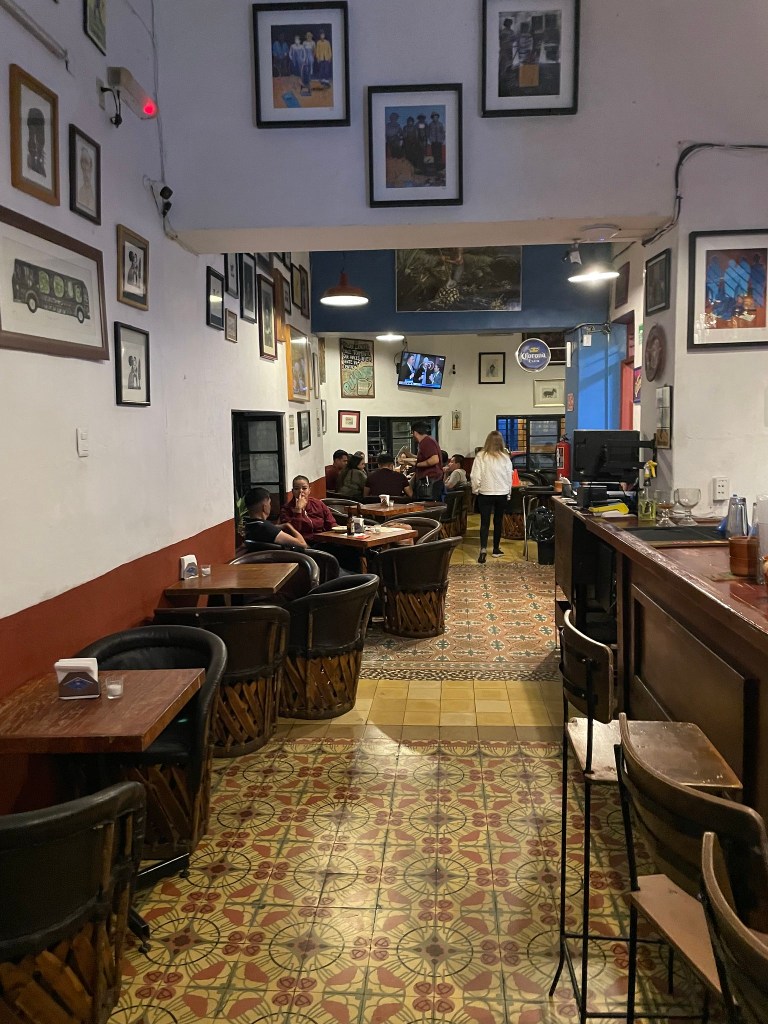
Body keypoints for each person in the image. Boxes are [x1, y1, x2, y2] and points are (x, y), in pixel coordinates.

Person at [470, 430, 512, 563]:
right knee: (498, 521)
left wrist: (476, 489)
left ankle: (483, 550)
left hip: (485, 493)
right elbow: (509, 476)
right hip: (502, 493)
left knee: (484, 522)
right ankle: (495, 549)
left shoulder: (481, 456)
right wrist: (508, 492)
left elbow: (475, 476)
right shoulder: (505, 457)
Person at [279, 475, 337, 542]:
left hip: (323, 540)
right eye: (296, 489)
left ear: (309, 490)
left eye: (304, 488)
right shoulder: (286, 509)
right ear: (292, 491)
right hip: (304, 544)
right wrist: (298, 510)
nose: (301, 491)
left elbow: (331, 523)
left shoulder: (318, 504)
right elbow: (293, 532)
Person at [403, 420, 443, 500]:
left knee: (427, 506)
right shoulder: (428, 441)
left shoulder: (426, 442)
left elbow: (434, 460)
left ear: (415, 432)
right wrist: (408, 455)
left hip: (429, 480)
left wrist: (416, 464)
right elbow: (423, 458)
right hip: (431, 480)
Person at [427, 111, 445, 176]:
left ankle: (440, 169)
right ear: (432, 118)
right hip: (433, 142)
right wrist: (430, 140)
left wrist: (442, 140)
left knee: (439, 154)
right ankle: (435, 168)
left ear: (438, 117)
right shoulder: (430, 124)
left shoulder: (440, 124)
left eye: (436, 117)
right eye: (434, 117)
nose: (435, 118)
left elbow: (443, 132)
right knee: (434, 154)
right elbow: (428, 133)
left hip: (439, 142)